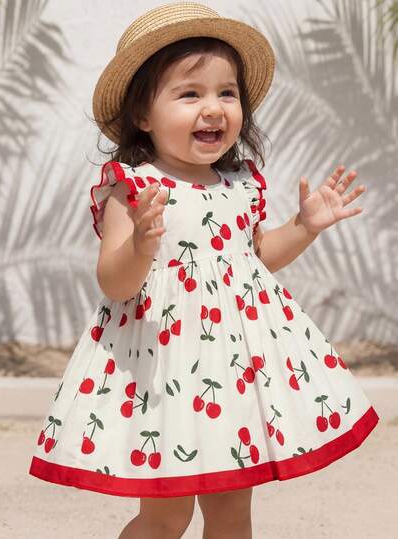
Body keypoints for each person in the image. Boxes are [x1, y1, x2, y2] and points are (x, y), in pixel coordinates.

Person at [28, 3, 380, 538]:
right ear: (143, 115)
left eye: (227, 93)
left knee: (232, 510)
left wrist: (303, 227)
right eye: (190, 94)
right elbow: (115, 283)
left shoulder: (240, 184)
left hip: (232, 373)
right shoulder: (135, 187)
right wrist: (140, 246)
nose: (213, 108)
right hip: (162, 372)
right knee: (167, 515)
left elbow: (252, 260)